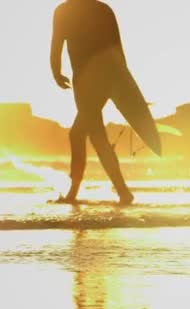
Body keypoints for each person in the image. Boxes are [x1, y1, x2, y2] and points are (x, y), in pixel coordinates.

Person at [50, 0, 137, 205]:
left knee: (79, 134)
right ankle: (123, 191)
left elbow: (56, 45)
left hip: (89, 80)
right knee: (96, 136)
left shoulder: (64, 11)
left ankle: (75, 193)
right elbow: (118, 51)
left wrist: (55, 71)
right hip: (96, 80)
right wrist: (123, 84)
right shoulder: (102, 9)